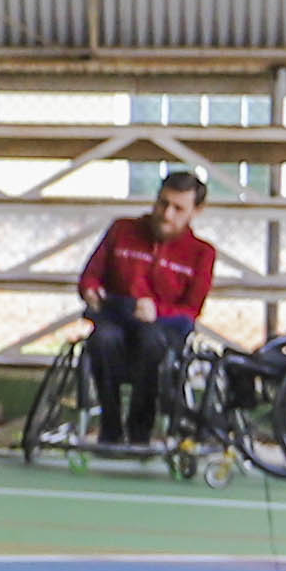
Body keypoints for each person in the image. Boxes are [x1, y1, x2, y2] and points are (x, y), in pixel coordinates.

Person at [76, 170, 216, 451]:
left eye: (178, 209)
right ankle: (110, 426)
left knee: (152, 343)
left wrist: (158, 311)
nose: (167, 214)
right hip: (117, 317)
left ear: (196, 212)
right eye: (163, 203)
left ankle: (141, 430)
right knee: (103, 339)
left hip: (164, 330)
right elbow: (90, 276)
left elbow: (192, 309)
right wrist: (91, 291)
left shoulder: (202, 253)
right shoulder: (122, 230)